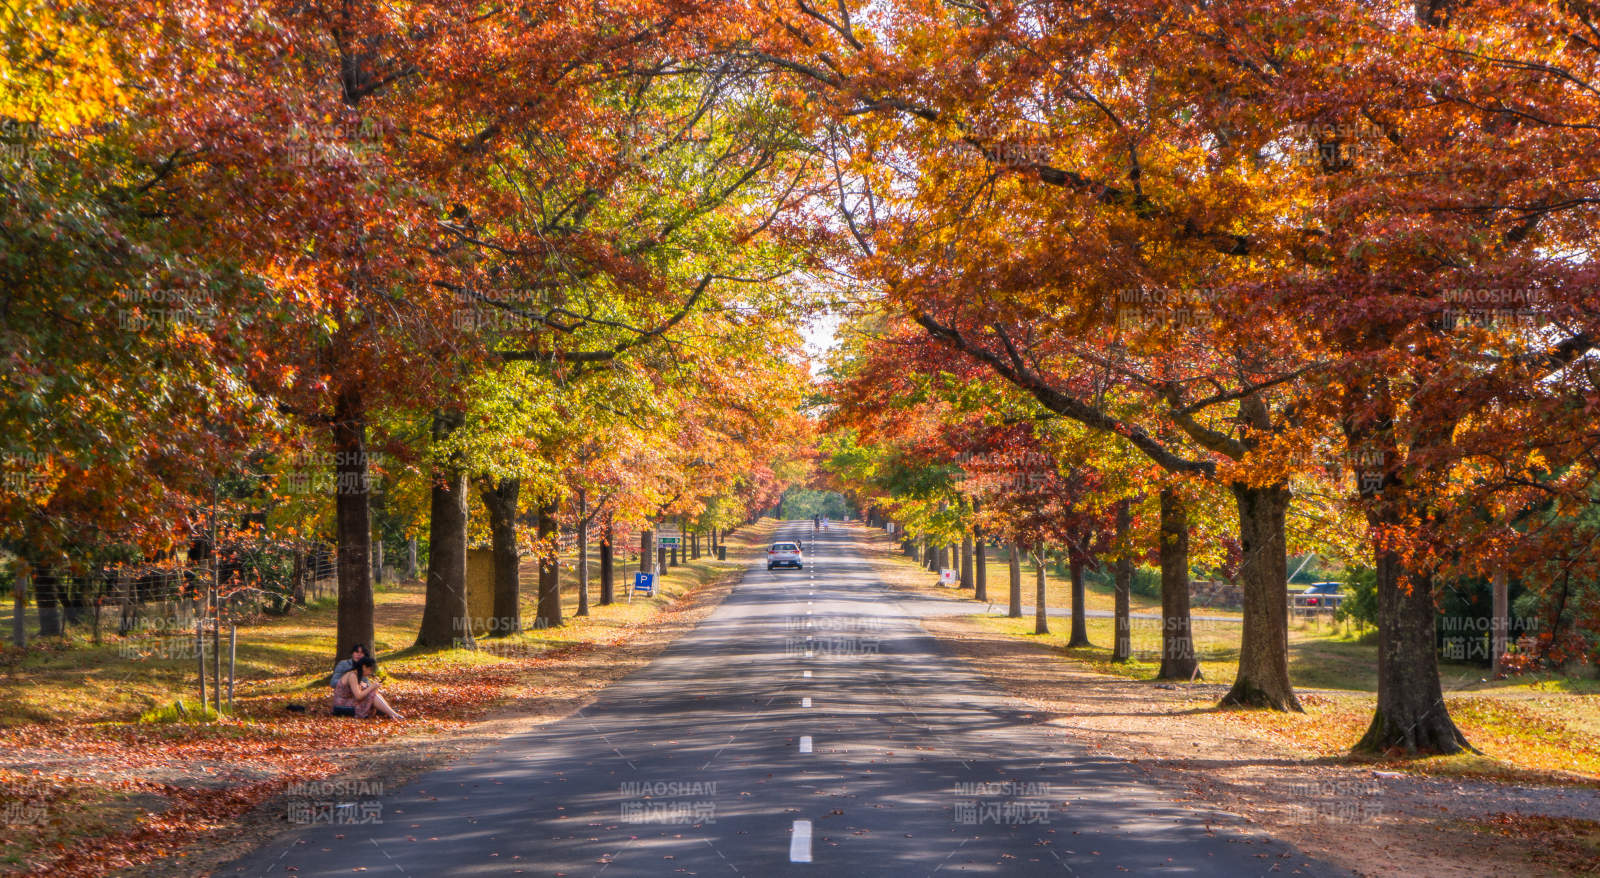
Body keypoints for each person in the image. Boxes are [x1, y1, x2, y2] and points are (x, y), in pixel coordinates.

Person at [333, 655, 402, 720]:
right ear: (364, 667)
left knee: (373, 694)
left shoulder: (355, 675)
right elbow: (358, 696)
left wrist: (367, 687)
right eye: (369, 669)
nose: (370, 672)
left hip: (347, 702)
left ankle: (390, 712)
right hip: (341, 706)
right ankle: (392, 714)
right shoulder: (352, 676)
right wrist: (371, 687)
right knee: (372, 695)